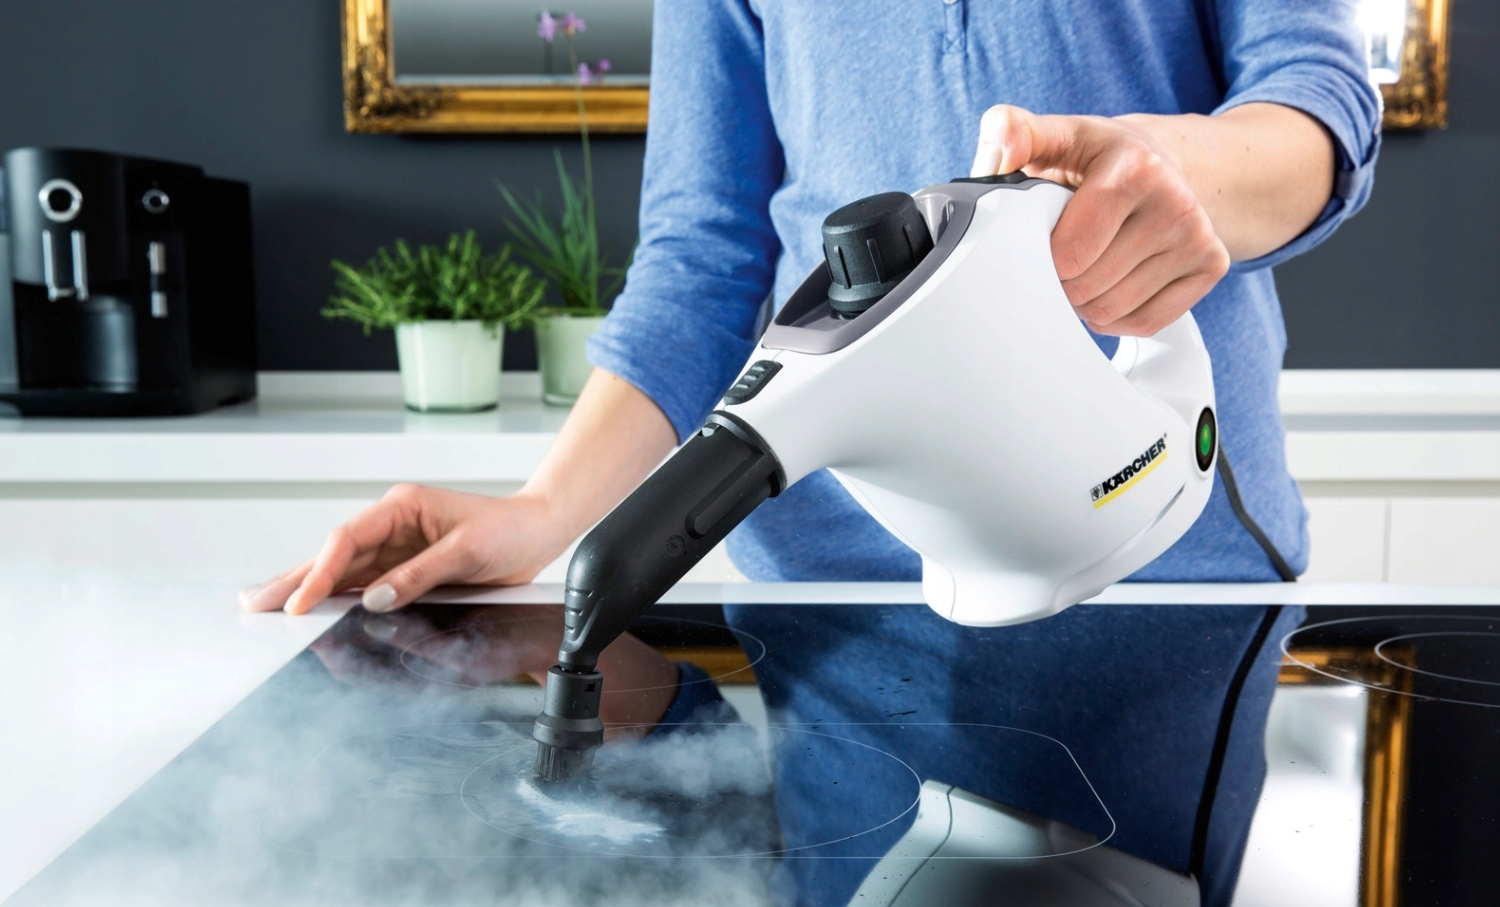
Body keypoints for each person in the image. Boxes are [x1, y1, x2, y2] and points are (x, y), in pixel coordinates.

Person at [244, 2, 1380, 904]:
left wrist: (1174, 170)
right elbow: (705, 253)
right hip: (833, 605)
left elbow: (1318, 107)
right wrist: (546, 513)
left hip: (1162, 574)